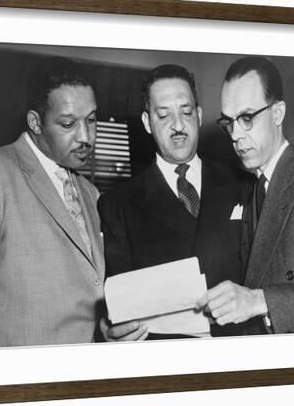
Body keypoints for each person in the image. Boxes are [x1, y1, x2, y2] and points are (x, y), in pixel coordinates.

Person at [98, 64, 252, 341]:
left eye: (186, 112)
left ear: (200, 115)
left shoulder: (244, 185)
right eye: (163, 115)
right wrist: (111, 331)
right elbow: (118, 304)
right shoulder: (117, 205)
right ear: (147, 122)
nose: (178, 126)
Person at [196, 56, 294, 334]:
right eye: (229, 122)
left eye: (247, 118)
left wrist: (260, 300)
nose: (235, 135)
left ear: (278, 113)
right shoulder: (252, 186)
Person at [0, 57, 105, 348]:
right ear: (36, 122)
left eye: (91, 120)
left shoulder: (90, 193)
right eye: (68, 123)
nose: (86, 137)